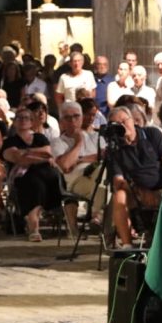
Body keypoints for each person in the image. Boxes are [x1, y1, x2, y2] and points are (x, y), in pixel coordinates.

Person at [106, 106, 162, 248]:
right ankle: (127, 244)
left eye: (123, 121)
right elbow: (118, 181)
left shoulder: (152, 134)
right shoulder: (115, 149)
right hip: (136, 190)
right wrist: (139, 190)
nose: (121, 126)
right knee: (119, 195)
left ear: (133, 121)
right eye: (116, 124)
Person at [1, 106, 63, 242]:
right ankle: (34, 227)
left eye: (27, 118)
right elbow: (19, 159)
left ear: (31, 122)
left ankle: (36, 220)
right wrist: (42, 158)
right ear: (15, 121)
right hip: (22, 175)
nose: (23, 120)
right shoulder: (9, 141)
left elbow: (48, 151)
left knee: (53, 179)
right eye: (20, 118)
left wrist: (26, 151)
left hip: (46, 172)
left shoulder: (40, 137)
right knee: (35, 184)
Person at [51, 101, 101, 237]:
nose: (72, 120)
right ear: (61, 122)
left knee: (108, 185)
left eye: (76, 116)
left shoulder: (96, 136)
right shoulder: (58, 142)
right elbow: (66, 165)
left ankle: (103, 224)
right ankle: (99, 217)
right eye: (67, 117)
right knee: (107, 187)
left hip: (98, 178)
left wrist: (79, 159)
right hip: (75, 182)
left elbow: (105, 156)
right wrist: (78, 142)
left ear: (81, 118)